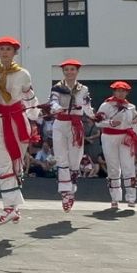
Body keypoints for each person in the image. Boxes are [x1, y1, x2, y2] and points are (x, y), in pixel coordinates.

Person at [0, 36, 38, 225]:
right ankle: (9, 208)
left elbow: (29, 97)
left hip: (18, 121)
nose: (5, 52)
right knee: (3, 164)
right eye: (2, 49)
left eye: (8, 49)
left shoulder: (23, 74)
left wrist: (35, 114)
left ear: (14, 53)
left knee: (16, 165)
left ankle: (14, 208)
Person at [49, 59, 92, 213]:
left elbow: (87, 106)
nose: (69, 72)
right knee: (61, 158)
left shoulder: (83, 89)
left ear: (77, 71)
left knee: (75, 159)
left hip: (75, 126)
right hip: (60, 124)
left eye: (72, 69)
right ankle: (65, 193)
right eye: (66, 69)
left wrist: (95, 116)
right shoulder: (57, 87)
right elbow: (53, 102)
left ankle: (71, 189)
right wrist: (57, 108)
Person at [95, 81, 137, 210]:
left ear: (127, 93)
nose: (121, 93)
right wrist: (110, 123)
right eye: (118, 91)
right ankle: (115, 198)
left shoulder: (131, 107)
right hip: (109, 137)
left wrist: (135, 125)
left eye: (123, 91)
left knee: (128, 166)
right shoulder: (106, 105)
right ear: (114, 92)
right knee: (113, 167)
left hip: (125, 137)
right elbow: (98, 122)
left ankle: (131, 197)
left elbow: (136, 126)